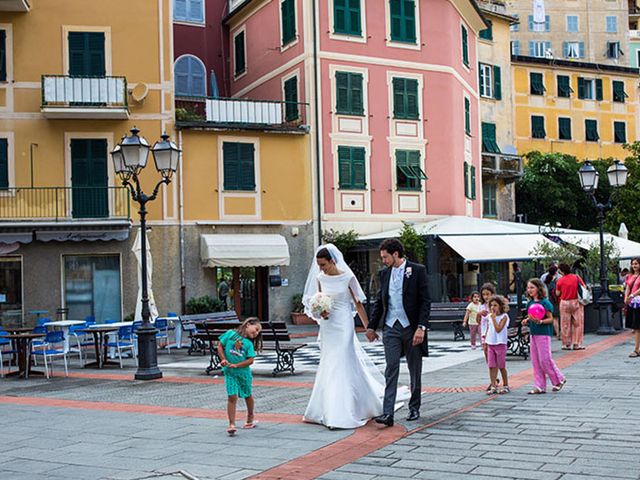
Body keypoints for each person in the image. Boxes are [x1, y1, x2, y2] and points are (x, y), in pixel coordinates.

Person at [302, 244, 397, 429]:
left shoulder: (348, 277)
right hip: (328, 325)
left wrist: (369, 328)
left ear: (332, 261)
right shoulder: (320, 278)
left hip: (344, 324)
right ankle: (327, 408)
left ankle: (342, 412)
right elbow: (320, 298)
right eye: (319, 265)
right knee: (330, 362)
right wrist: (320, 312)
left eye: (324, 264)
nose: (321, 268)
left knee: (342, 359)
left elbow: (358, 304)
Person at [368, 238, 431, 427]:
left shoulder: (417, 270)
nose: (383, 260)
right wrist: (371, 326)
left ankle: (414, 407)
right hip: (390, 327)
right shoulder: (384, 274)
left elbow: (425, 301)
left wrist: (421, 327)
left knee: (414, 369)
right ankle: (388, 413)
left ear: (396, 254)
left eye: (385, 257)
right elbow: (381, 301)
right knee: (391, 368)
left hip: (411, 327)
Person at [217, 317, 262, 436]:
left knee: (247, 394)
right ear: (248, 324)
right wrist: (223, 360)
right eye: (256, 329)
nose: (256, 333)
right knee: (232, 397)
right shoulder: (230, 334)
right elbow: (220, 346)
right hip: (230, 373)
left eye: (258, 332)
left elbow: (251, 360)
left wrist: (237, 365)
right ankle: (231, 424)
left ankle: (250, 417)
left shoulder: (248, 344)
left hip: (244, 374)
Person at [523, 279, 566, 394]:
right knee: (535, 361)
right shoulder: (530, 303)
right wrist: (527, 320)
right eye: (528, 288)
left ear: (539, 288)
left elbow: (550, 319)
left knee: (545, 359)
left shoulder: (545, 303)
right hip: (533, 333)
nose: (530, 290)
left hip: (543, 334)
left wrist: (540, 322)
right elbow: (532, 316)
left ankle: (559, 379)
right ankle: (539, 386)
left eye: (532, 287)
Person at [555, 263, 586, 350]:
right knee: (578, 323)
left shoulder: (560, 280)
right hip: (576, 301)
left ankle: (566, 344)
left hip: (564, 302)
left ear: (561, 271)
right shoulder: (576, 277)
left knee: (565, 324)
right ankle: (577, 343)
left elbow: (557, 293)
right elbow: (584, 286)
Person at [485, 295, 510, 395]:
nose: (492, 308)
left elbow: (498, 329)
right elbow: (488, 328)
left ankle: (506, 385)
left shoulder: (504, 317)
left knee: (501, 365)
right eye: (491, 305)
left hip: (500, 343)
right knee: (491, 366)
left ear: (500, 306)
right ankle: (493, 385)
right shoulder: (489, 317)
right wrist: (486, 341)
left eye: (495, 305)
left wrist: (494, 319)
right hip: (491, 343)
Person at [624, 258, 640, 357]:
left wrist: (632, 295)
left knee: (637, 327)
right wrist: (626, 297)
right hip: (632, 303)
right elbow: (628, 287)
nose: (634, 266)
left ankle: (636, 349)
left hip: (638, 302)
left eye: (637, 264)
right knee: (635, 327)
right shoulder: (629, 276)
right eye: (633, 264)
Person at [541, 265, 562, 339]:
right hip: (557, 299)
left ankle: (556, 333)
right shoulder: (559, 277)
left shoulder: (544, 277)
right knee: (558, 317)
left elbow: (542, 288)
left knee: (551, 317)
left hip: (548, 299)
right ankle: (560, 333)